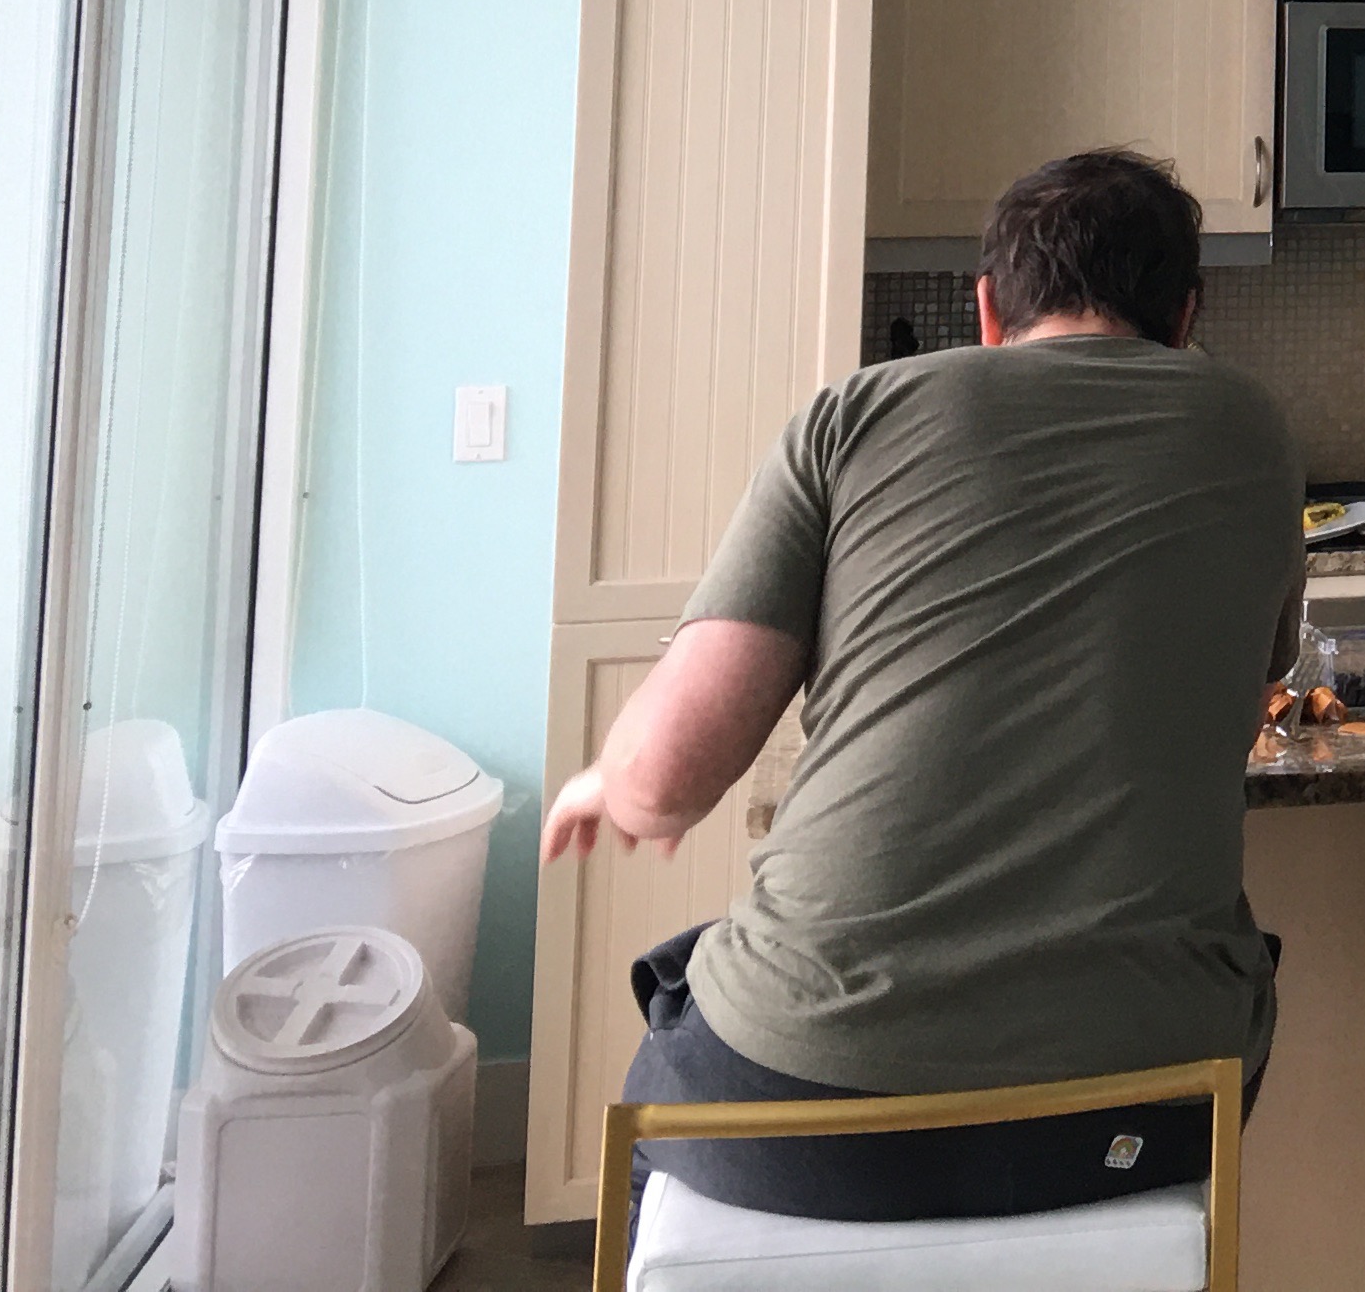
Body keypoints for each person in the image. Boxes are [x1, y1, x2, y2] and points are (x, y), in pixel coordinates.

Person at [544, 147, 1305, 1219]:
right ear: (1186, 317)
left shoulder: (854, 416)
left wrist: (609, 782)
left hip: (805, 1095)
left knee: (661, 1104)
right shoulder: (1254, 431)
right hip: (1155, 1101)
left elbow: (665, 779)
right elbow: (1254, 676)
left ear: (987, 310)